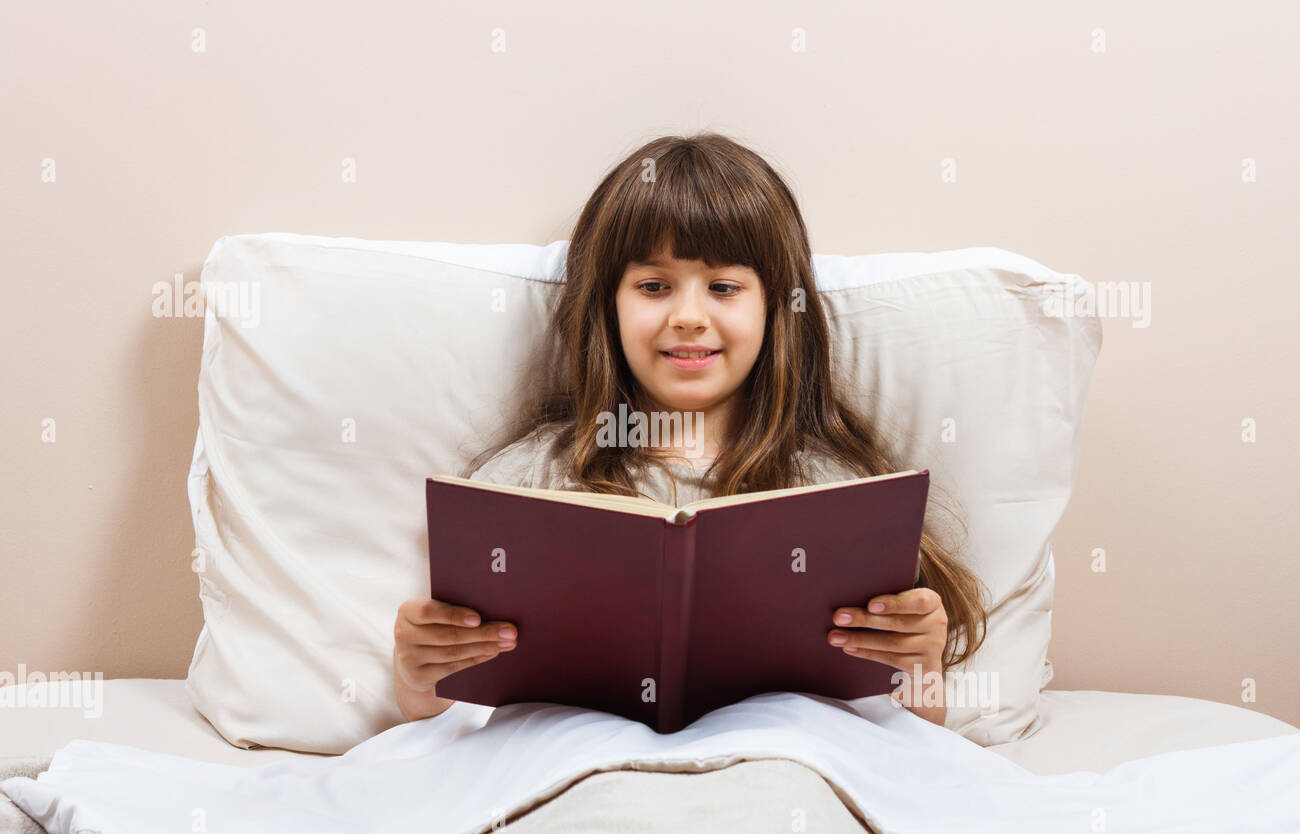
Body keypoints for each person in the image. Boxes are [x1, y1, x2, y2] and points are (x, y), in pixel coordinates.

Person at [394, 132, 988, 730]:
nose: (688, 317)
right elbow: (448, 720)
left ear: (776, 308)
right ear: (608, 306)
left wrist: (921, 667)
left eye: (724, 287)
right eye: (654, 287)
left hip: (778, 777)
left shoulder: (840, 494)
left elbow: (911, 739)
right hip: (581, 780)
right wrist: (419, 679)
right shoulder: (523, 483)